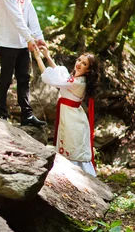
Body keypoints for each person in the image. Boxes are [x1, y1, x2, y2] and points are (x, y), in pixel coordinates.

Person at [0, 0, 47, 127]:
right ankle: (1, 114)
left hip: (22, 42)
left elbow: (30, 13)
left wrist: (38, 37)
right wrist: (29, 37)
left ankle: (27, 115)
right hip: (7, 41)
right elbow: (16, 17)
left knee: (24, 78)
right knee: (6, 78)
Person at [32, 46, 99, 176]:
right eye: (79, 60)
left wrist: (38, 58)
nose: (79, 64)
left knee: (72, 149)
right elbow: (60, 75)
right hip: (71, 115)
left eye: (84, 64)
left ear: (88, 70)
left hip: (72, 118)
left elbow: (53, 80)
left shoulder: (77, 82)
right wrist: (47, 56)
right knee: (70, 147)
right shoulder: (76, 79)